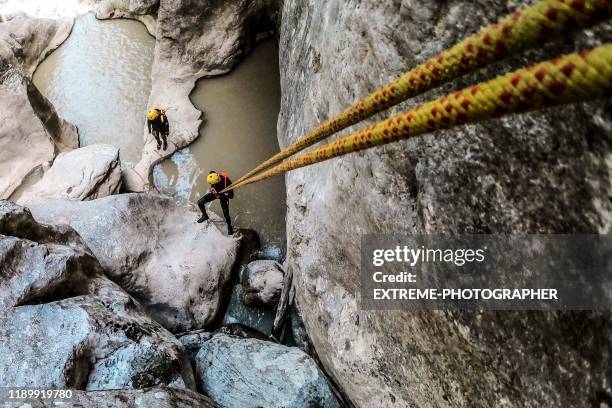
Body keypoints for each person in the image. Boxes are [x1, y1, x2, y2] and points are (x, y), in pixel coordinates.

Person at [197, 171, 234, 235]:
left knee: (225, 212)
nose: (212, 185)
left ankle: (229, 226)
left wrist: (220, 196)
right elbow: (211, 172)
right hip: (215, 193)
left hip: (224, 195)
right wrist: (212, 188)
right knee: (200, 202)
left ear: (218, 180)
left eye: (213, 184)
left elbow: (231, 196)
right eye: (211, 184)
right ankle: (205, 216)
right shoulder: (213, 176)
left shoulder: (227, 182)